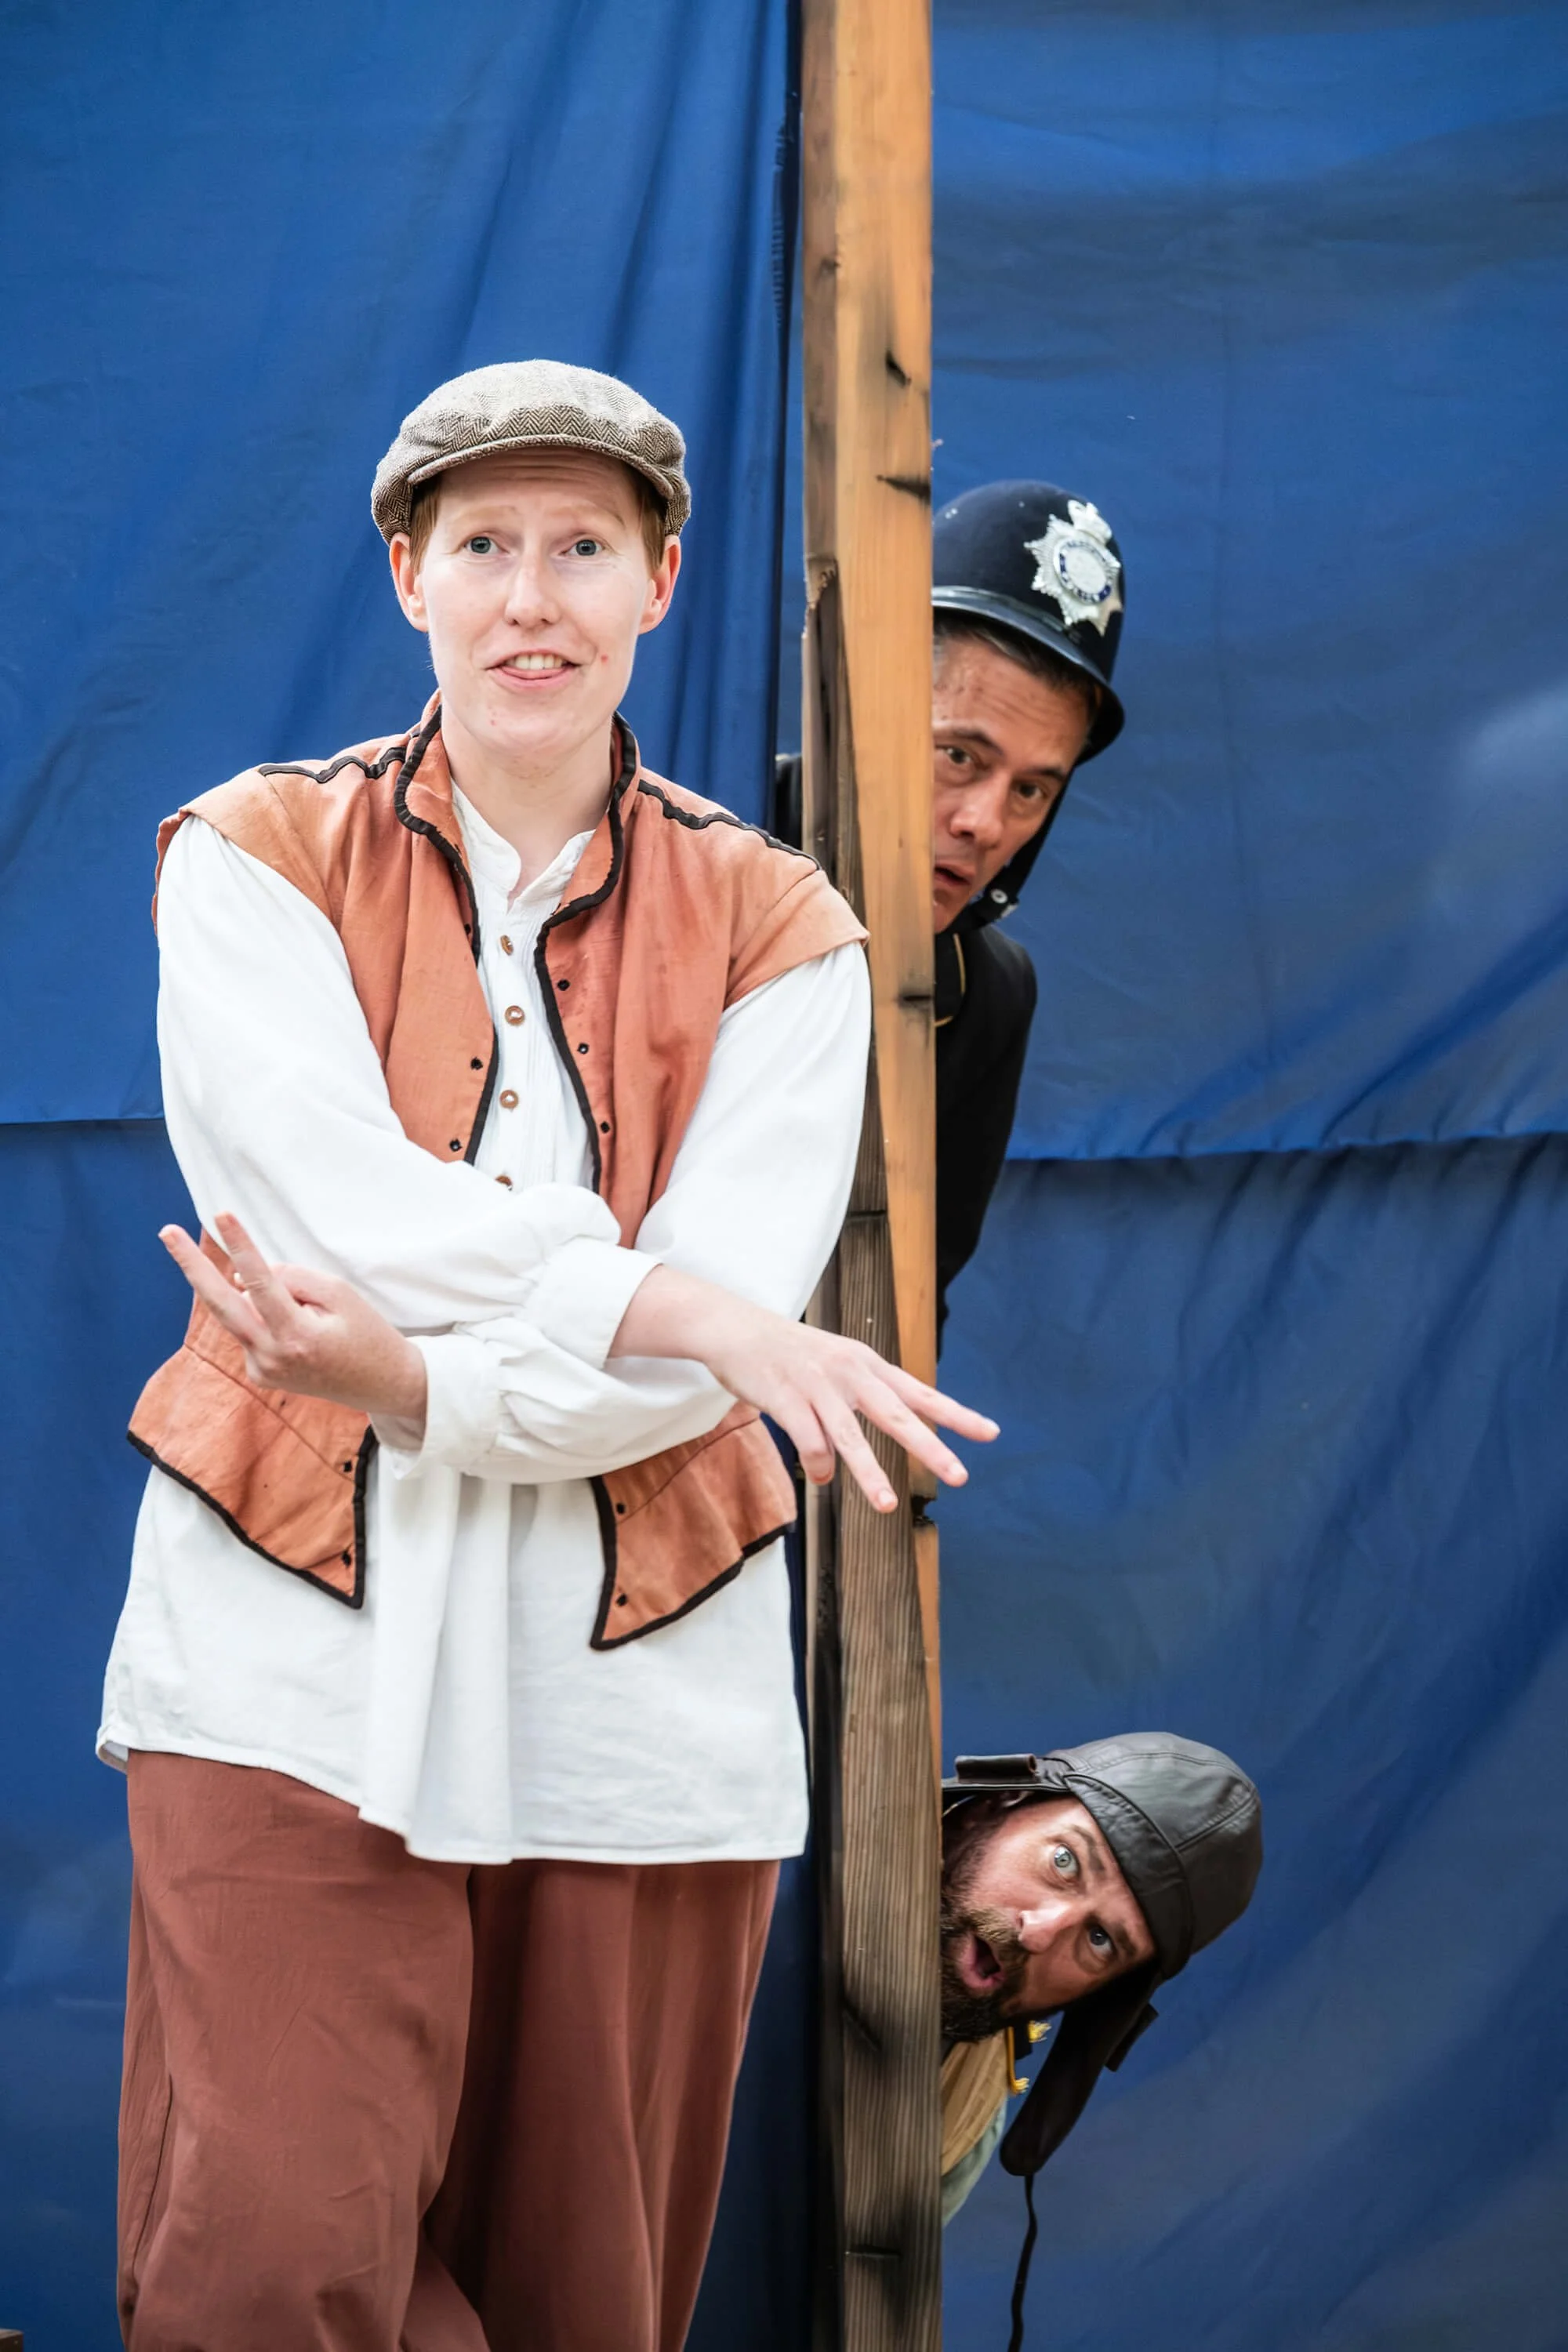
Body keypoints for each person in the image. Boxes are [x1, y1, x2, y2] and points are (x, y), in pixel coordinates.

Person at [100, 358, 996, 2352]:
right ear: (407, 574)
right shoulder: (245, 858)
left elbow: (676, 1396)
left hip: (635, 1714)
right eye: (484, 544)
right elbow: (323, 1207)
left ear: (657, 583)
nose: (531, 595)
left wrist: (421, 1384)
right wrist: (670, 1294)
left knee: (580, 2302)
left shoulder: (789, 934)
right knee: (261, 2266)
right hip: (283, 1660)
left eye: (581, 547)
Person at [774, 479, 1129, 1335]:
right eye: (961, 756)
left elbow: (907, 1314)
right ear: (872, 705)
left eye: (1033, 789)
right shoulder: (693, 843)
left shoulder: (987, 993)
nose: (985, 824)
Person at [939, 1736, 1263, 2347]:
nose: (1038, 1932)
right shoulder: (765, 1867)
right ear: (998, 1805)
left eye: (1100, 1941)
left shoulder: (962, 2115)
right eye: (1064, 1862)